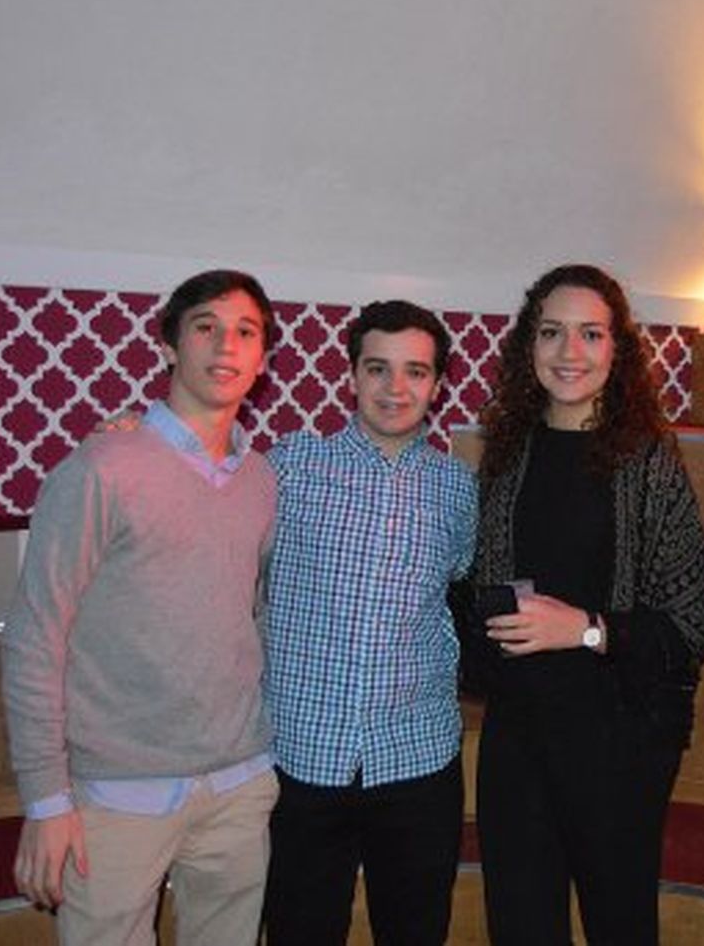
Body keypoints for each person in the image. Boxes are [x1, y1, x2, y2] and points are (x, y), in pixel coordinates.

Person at [3, 270, 280, 945]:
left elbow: (252, 612)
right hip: (117, 794)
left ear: (263, 359)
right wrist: (46, 799)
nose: (226, 345)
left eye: (246, 332)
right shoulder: (104, 466)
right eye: (206, 327)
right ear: (168, 345)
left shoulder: (262, 479)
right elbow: (36, 633)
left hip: (239, 784)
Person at [463, 263, 704, 945]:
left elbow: (690, 622)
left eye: (591, 333)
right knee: (520, 928)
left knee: (619, 928)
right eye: (552, 332)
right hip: (518, 738)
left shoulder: (650, 460)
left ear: (617, 349)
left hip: (619, 745)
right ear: (529, 345)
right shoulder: (505, 454)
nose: (569, 351)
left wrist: (586, 629)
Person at [260, 300, 477, 945]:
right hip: (302, 757)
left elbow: (462, 588)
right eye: (378, 368)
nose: (395, 388)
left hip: (418, 758)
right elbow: (205, 492)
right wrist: (136, 434)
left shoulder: (457, 487)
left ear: (437, 385)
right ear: (352, 375)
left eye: (416, 371)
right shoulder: (291, 466)